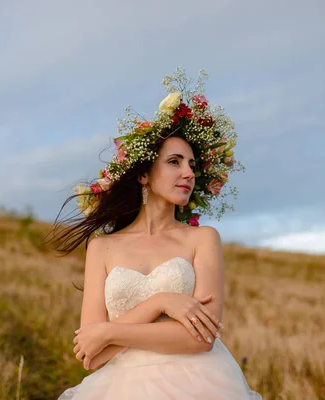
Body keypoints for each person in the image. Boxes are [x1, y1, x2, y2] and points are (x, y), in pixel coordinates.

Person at [52, 69, 262, 399]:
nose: (188, 173)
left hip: (199, 385)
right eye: (175, 162)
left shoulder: (202, 239)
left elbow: (201, 339)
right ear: (143, 176)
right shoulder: (102, 248)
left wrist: (110, 332)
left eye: (192, 165)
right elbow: (91, 355)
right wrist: (161, 303)